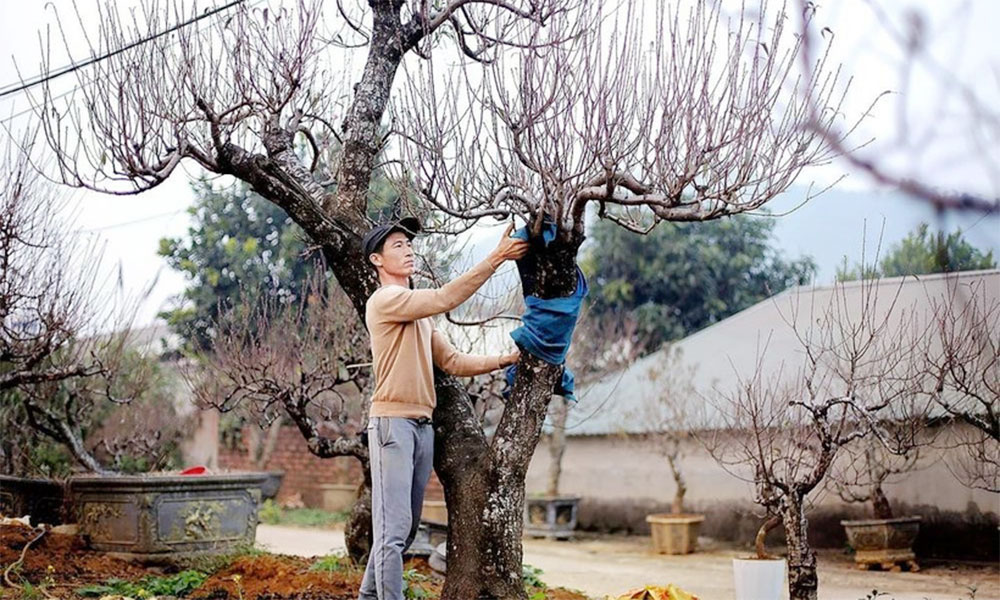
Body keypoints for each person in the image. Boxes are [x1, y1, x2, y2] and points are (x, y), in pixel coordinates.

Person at [358, 217, 529, 600]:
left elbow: (452, 361)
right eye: (398, 245)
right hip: (392, 424)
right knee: (393, 531)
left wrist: (504, 359)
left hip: (422, 427)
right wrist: (497, 257)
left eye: (409, 244)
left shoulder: (419, 316)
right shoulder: (385, 300)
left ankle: (369, 596)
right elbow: (444, 297)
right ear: (376, 260)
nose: (409, 250)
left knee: (403, 530)